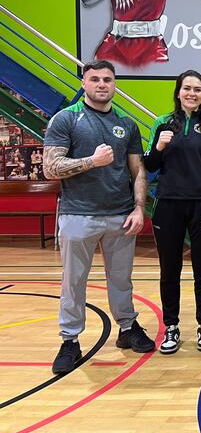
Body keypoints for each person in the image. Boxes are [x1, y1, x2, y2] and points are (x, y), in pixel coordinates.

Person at [43, 60, 154, 374]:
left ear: (115, 83)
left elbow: (137, 170)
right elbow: (50, 168)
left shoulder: (126, 124)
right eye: (95, 79)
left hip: (120, 215)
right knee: (73, 282)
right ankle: (70, 340)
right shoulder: (66, 119)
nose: (102, 84)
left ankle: (127, 328)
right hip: (78, 214)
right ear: (84, 82)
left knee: (121, 280)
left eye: (107, 79)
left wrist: (138, 208)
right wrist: (92, 160)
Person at [143, 70, 201, 354]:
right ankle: (172, 327)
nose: (192, 93)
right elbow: (150, 165)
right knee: (170, 270)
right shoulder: (162, 123)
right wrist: (160, 146)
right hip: (167, 205)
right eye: (187, 88)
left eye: (198, 89)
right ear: (178, 92)